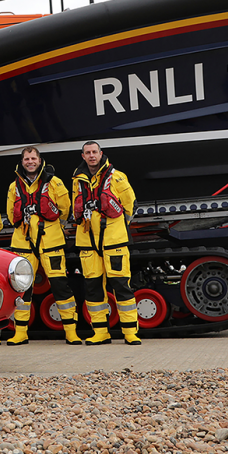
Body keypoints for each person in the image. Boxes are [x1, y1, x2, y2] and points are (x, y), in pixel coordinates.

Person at [5, 146, 77, 345]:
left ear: (39, 160)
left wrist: (51, 225)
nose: (30, 162)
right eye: (26, 158)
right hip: (23, 243)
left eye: (33, 158)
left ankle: (71, 331)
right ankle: (20, 332)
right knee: (22, 289)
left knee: (60, 286)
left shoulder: (54, 183)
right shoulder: (14, 186)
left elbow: (64, 210)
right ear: (22, 161)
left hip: (51, 242)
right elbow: (11, 215)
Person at [71, 141, 139, 345]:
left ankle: (130, 332)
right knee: (92, 288)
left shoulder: (117, 177)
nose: (91, 156)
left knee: (121, 286)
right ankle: (100, 332)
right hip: (88, 242)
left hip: (113, 241)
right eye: (87, 153)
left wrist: (116, 228)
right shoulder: (77, 180)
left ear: (101, 154)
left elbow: (130, 206)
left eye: (94, 152)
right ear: (83, 156)